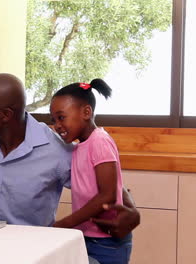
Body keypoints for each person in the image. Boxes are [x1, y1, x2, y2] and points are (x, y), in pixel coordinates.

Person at [0, 73, 139, 260]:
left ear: (5, 115)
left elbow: (104, 185)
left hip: (29, 252)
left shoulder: (58, 151)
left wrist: (133, 211)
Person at [50, 79, 132, 264]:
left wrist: (64, 224)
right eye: (53, 120)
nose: (57, 125)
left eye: (61, 117)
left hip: (107, 242)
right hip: (87, 236)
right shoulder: (79, 147)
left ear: (86, 112)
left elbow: (108, 195)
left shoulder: (99, 141)